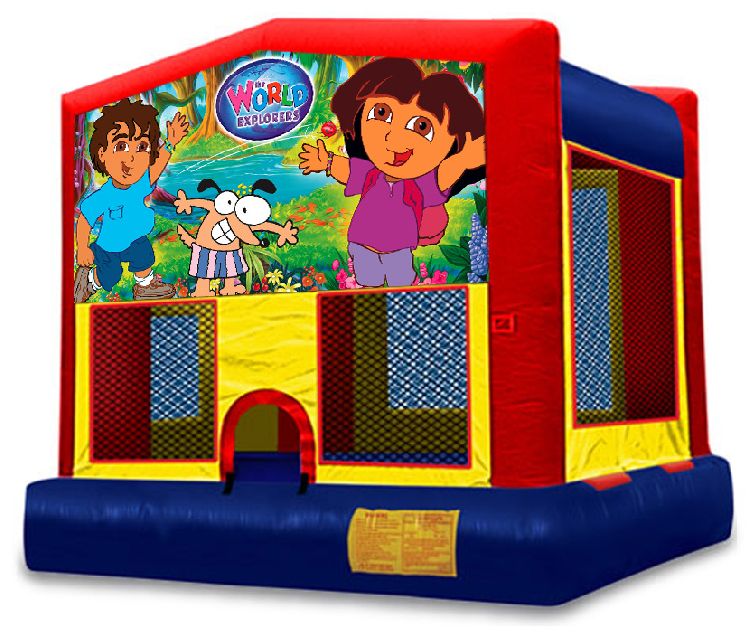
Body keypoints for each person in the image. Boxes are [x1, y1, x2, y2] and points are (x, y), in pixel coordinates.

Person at [298, 57, 485, 287]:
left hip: (399, 248)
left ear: (452, 143)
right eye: (382, 113)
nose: (394, 138)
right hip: (362, 244)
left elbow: (444, 174)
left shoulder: (421, 182)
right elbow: (346, 170)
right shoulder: (370, 173)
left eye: (421, 127)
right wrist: (326, 161)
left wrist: (464, 159)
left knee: (401, 283)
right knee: (369, 281)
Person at [74, 98, 189, 302]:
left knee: (144, 256)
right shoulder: (103, 196)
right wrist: (82, 247)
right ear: (102, 154)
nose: (132, 158)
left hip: (135, 239)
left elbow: (158, 165)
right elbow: (85, 220)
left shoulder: (141, 183)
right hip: (109, 248)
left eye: (142, 146)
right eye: (121, 146)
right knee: (110, 275)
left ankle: (145, 286)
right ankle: (89, 281)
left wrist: (171, 143)